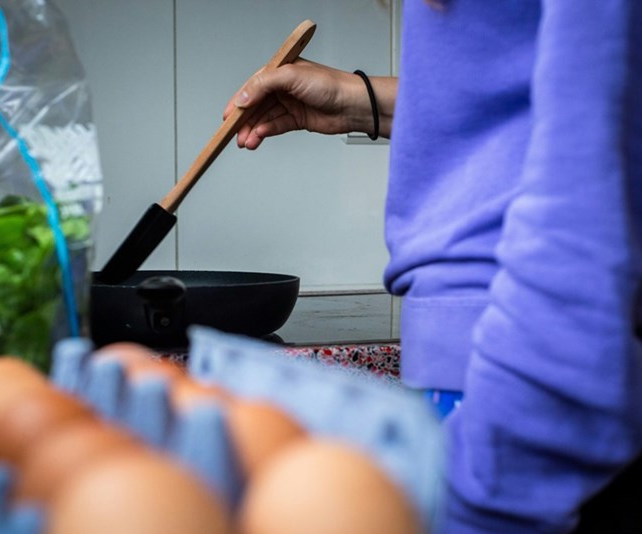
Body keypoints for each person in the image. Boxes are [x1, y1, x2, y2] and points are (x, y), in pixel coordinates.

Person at [223, 1, 642, 532]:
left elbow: (598, 145)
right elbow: (521, 94)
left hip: (519, 382)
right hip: (488, 377)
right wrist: (361, 103)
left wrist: (498, 484)